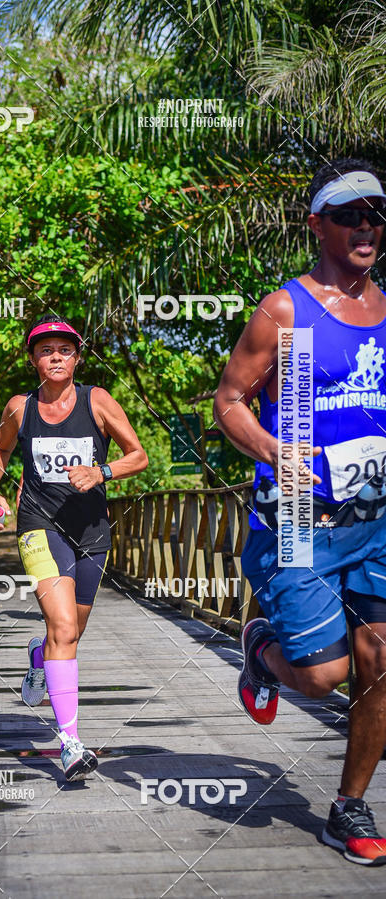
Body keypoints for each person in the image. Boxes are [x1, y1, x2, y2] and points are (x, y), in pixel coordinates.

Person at [214, 158, 386, 866]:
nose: (367, 226)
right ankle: (261, 648)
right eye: (350, 214)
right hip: (295, 520)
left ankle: (348, 804)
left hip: (374, 518)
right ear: (318, 225)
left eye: (376, 214)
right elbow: (228, 399)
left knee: (380, 660)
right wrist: (271, 447)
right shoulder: (286, 308)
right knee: (322, 676)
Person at [0, 314, 148, 781]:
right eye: (45, 350)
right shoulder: (21, 407)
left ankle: (39, 658)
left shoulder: (97, 401)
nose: (56, 357)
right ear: (33, 359)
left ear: (77, 357)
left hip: (92, 531)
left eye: (65, 350)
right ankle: (70, 743)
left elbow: (139, 454)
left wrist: (103, 472)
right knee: (64, 627)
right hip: (38, 526)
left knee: (70, 633)